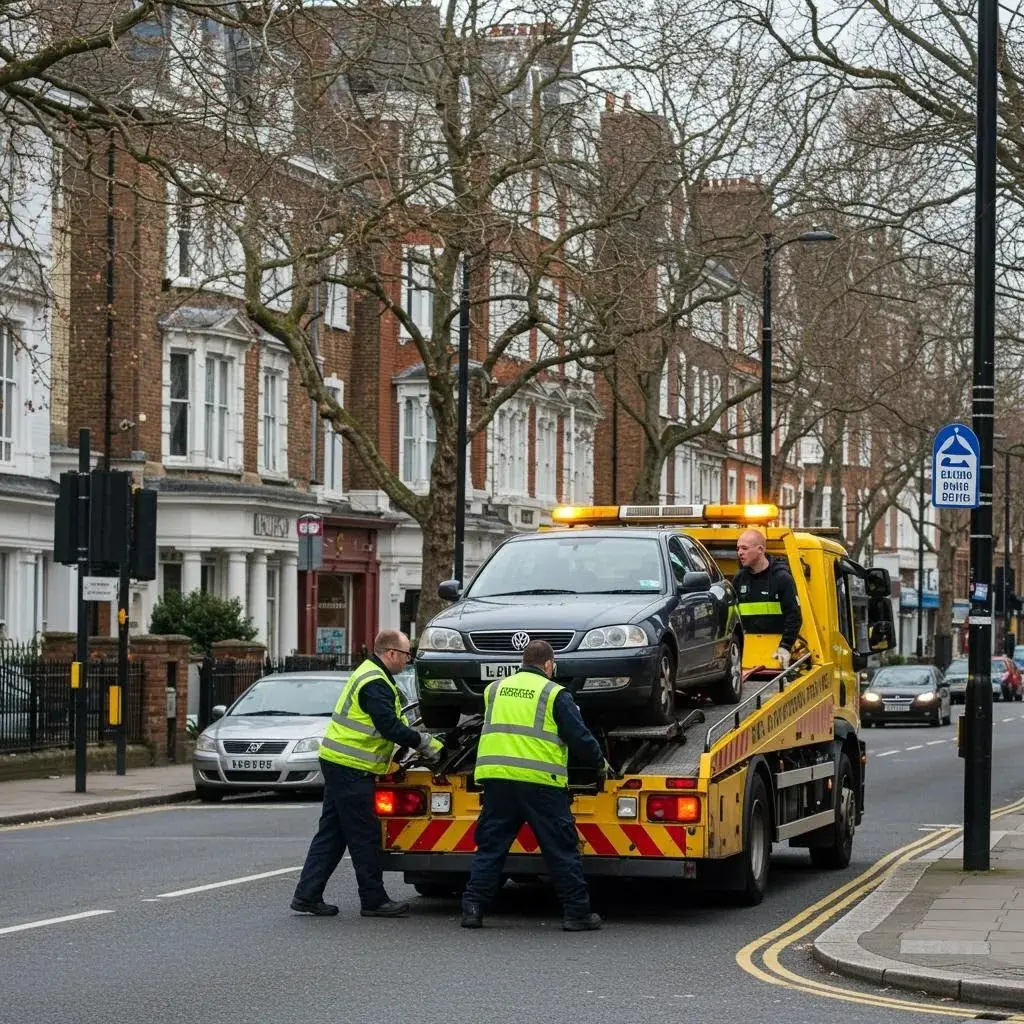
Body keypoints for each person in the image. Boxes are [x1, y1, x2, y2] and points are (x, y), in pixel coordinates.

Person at [291, 629, 443, 918]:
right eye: (406, 654)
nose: (408, 660)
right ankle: (373, 900)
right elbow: (389, 727)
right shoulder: (375, 682)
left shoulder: (371, 674)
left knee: (333, 834)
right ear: (391, 653)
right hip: (351, 767)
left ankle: (307, 895)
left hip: (339, 763)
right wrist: (425, 743)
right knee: (365, 834)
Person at [460, 639, 606, 932]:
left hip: (498, 779)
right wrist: (599, 761)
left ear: (522, 663)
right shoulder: (554, 694)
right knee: (561, 849)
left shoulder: (494, 690)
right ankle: (576, 914)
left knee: (491, 847)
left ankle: (472, 909)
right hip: (541, 783)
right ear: (549, 665)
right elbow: (578, 736)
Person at [733, 528, 802, 669]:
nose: (740, 552)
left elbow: (794, 616)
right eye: (738, 548)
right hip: (747, 655)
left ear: (760, 549)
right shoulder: (739, 579)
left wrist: (785, 646)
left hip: (775, 655)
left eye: (744, 548)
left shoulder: (782, 578)